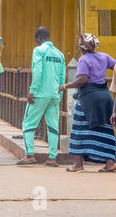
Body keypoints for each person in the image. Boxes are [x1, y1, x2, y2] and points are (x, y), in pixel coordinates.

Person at [59, 34, 116, 172]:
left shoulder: (84, 60)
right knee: (106, 129)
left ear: (81, 47)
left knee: (79, 130)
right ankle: (110, 163)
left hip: (88, 98)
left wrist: (65, 86)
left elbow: (83, 80)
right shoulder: (104, 56)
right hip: (105, 96)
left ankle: (78, 164)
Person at [17, 27, 66, 167]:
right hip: (55, 96)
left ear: (38, 37)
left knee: (28, 123)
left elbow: (37, 72)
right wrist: (59, 95)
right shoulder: (60, 54)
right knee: (53, 126)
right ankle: (52, 158)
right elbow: (62, 78)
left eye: (35, 39)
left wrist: (32, 91)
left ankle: (29, 155)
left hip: (40, 95)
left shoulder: (38, 51)